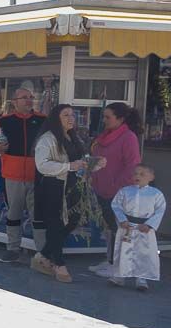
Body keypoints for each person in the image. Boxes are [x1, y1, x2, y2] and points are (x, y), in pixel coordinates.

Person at [32, 104, 102, 284]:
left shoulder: (73, 137)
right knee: (55, 224)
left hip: (73, 187)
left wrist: (93, 164)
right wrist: (69, 166)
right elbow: (42, 165)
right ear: (56, 118)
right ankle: (59, 263)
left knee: (73, 220)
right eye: (65, 115)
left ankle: (43, 255)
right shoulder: (47, 139)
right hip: (53, 186)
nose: (71, 118)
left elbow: (80, 161)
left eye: (72, 115)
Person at [0, 87, 47, 264]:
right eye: (24, 98)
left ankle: (43, 253)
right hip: (12, 175)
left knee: (38, 216)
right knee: (13, 214)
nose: (28, 100)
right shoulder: (4, 121)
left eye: (30, 97)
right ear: (14, 102)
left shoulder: (43, 120)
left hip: (38, 176)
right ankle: (12, 250)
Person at [90, 102, 142, 271]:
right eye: (103, 116)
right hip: (102, 190)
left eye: (108, 117)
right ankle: (111, 261)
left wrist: (116, 187)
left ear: (120, 119)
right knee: (110, 229)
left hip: (119, 194)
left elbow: (132, 166)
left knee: (119, 230)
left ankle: (120, 265)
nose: (104, 120)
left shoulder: (128, 137)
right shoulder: (104, 136)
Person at [107, 164, 163, 290]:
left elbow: (160, 210)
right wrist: (122, 220)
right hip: (127, 226)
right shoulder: (125, 191)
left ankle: (141, 279)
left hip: (144, 228)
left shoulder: (156, 194)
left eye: (142, 174)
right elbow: (116, 205)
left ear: (151, 177)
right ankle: (119, 277)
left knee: (143, 253)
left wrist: (150, 224)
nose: (137, 176)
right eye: (135, 174)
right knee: (122, 251)